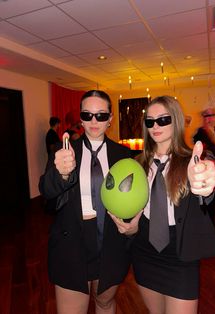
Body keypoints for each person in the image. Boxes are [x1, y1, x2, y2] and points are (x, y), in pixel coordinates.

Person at [110, 96, 215, 314]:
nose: (155, 126)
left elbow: (205, 183)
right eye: (150, 121)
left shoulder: (193, 160)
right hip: (145, 251)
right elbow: (131, 206)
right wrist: (131, 228)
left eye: (163, 120)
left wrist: (205, 184)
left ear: (176, 120)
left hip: (179, 254)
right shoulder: (137, 164)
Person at [39, 90, 140, 314]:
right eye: (88, 114)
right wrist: (61, 175)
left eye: (101, 115)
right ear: (81, 117)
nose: (94, 121)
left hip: (111, 242)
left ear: (110, 119)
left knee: (105, 303)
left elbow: (135, 197)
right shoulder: (64, 151)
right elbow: (46, 191)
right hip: (72, 241)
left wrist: (134, 225)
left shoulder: (123, 154)